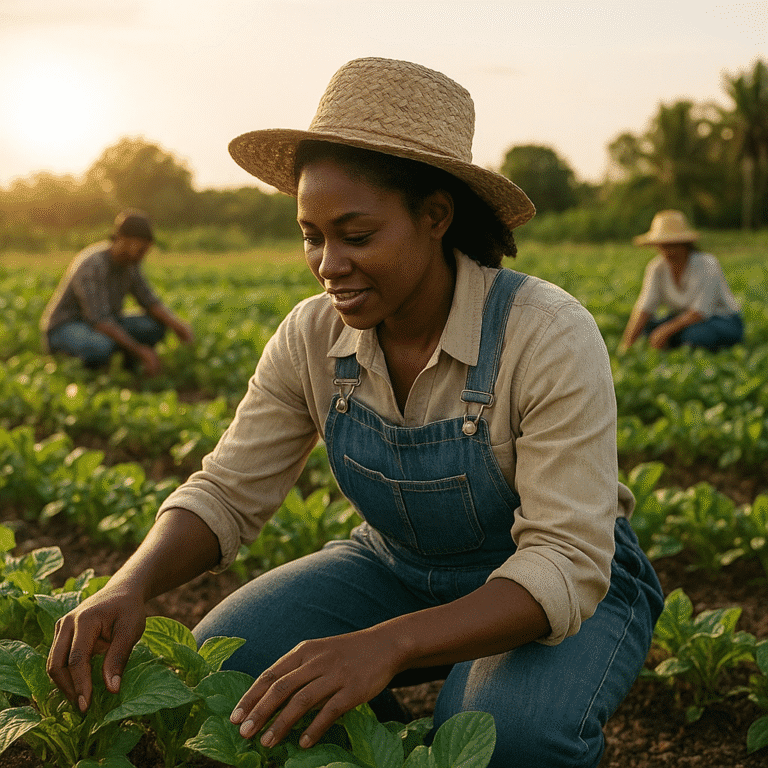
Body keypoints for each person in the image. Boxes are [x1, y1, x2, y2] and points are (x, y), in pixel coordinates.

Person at [47, 58, 663, 767]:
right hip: (397, 567)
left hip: (559, 588)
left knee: (498, 739)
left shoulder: (545, 332)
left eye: (357, 235)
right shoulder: (312, 336)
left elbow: (563, 559)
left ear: (435, 217)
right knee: (220, 678)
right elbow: (226, 490)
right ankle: (372, 725)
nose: (327, 263)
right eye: (312, 234)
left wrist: (388, 643)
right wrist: (130, 584)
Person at [40, 209, 194, 376]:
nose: (143, 255)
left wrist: (179, 327)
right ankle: (82, 367)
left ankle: (125, 361)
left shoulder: (130, 264)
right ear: (124, 241)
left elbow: (149, 301)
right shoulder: (93, 265)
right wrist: (140, 351)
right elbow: (99, 321)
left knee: (155, 326)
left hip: (104, 323)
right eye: (141, 249)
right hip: (65, 328)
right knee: (100, 346)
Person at [619, 209, 744, 353]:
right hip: (681, 319)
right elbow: (644, 308)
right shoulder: (656, 268)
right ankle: (679, 343)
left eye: (673, 245)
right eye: (663, 246)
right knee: (646, 329)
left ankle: (682, 344)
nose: (668, 251)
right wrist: (626, 345)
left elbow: (700, 312)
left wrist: (664, 331)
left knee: (696, 336)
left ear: (685, 244)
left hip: (720, 320)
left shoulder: (708, 264)